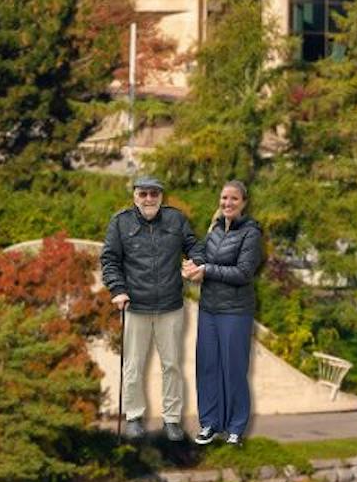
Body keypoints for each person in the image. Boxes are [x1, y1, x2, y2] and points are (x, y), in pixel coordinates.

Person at [97, 175, 195, 443]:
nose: (149, 199)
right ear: (135, 196)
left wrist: (195, 262)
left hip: (170, 306)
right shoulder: (120, 222)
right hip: (135, 305)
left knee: (172, 365)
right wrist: (118, 290)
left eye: (154, 194)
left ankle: (172, 420)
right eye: (143, 194)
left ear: (161, 196)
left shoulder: (176, 220)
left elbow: (194, 246)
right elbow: (109, 260)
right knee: (133, 366)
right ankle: (133, 417)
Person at [187, 180, 265, 447]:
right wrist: (193, 265)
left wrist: (207, 270)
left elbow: (243, 272)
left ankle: (235, 427)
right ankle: (210, 423)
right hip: (209, 309)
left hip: (235, 311)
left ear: (244, 203)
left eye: (233, 198)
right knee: (207, 367)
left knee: (233, 369)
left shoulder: (251, 234)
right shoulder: (215, 229)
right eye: (224, 198)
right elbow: (201, 254)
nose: (227, 203)